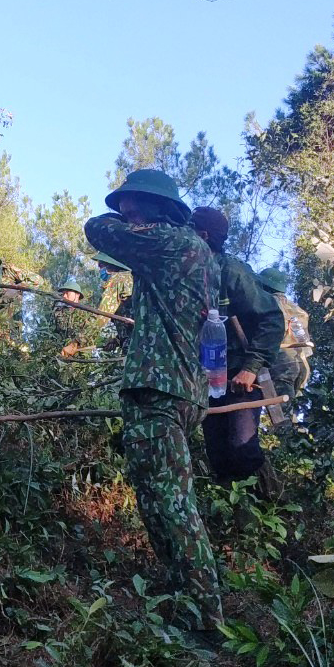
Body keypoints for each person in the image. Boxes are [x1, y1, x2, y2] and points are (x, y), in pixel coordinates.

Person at [83, 168, 222, 631]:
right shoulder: (196, 251)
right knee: (157, 498)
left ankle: (206, 621)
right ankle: (184, 602)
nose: (127, 217)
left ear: (159, 210)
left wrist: (126, 223)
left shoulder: (167, 242)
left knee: (171, 502)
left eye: (134, 209)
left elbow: (96, 229)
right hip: (182, 390)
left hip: (160, 389)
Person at [190, 207, 284, 483]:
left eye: (189, 231)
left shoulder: (232, 272)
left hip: (240, 376)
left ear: (203, 236)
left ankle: (270, 499)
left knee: (242, 447)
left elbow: (271, 319)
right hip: (207, 376)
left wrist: (251, 367)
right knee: (217, 453)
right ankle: (231, 508)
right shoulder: (187, 273)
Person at [257, 267, 313, 407]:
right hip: (301, 365)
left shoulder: (268, 304)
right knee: (290, 409)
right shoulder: (295, 309)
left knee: (282, 411)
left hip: (281, 366)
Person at [95, 251, 133, 350]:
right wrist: (117, 339)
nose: (100, 270)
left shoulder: (118, 279)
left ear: (110, 265)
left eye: (101, 266)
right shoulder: (131, 278)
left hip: (134, 345)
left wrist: (77, 342)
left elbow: (102, 314)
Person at [51, 278, 95, 358]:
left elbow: (90, 331)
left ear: (77, 295)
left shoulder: (86, 313)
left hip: (80, 357)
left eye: (67, 293)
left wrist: (75, 343)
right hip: (61, 356)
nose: (64, 296)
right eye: (63, 293)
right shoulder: (59, 313)